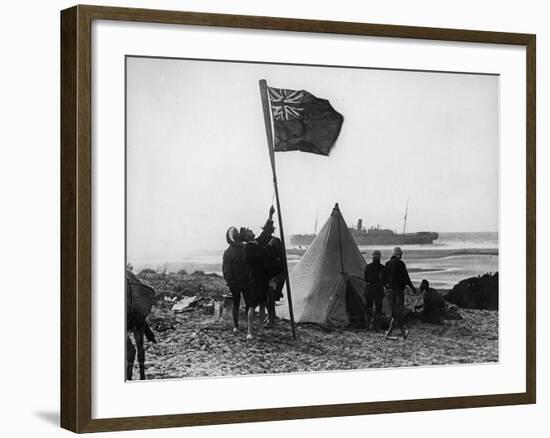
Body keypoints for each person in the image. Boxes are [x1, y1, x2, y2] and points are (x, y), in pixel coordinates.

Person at [243, 206, 276, 340]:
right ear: (246, 236)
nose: (251, 230)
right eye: (248, 231)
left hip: (262, 278)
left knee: (262, 304)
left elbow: (266, 233)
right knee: (252, 305)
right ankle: (250, 331)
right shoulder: (248, 248)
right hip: (255, 280)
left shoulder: (256, 242)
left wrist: (270, 215)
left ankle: (261, 329)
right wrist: (269, 246)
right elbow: (258, 257)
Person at [381, 246, 417, 340]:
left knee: (395, 312)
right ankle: (393, 332)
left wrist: (386, 286)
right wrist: (412, 287)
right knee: (398, 312)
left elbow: (382, 277)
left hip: (391, 291)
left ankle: (395, 332)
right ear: (399, 254)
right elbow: (406, 277)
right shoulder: (400, 264)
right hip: (399, 291)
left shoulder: (388, 263)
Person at [222, 226, 251, 332]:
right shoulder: (229, 252)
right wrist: (230, 281)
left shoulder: (244, 248)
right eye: (236, 234)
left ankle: (246, 325)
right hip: (236, 282)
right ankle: (236, 325)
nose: (238, 235)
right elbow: (226, 269)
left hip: (245, 281)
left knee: (246, 303)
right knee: (237, 303)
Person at [265, 237, 285, 328]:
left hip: (273, 278)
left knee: (270, 299)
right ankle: (270, 316)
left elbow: (280, 270)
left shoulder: (276, 255)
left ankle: (271, 318)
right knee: (269, 299)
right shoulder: (272, 254)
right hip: (272, 278)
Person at [363, 249, 385, 330]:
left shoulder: (368, 267)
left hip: (370, 289)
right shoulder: (382, 267)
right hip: (378, 289)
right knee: (378, 308)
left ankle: (367, 326)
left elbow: (365, 278)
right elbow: (384, 279)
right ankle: (377, 326)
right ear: (380, 257)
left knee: (369, 307)